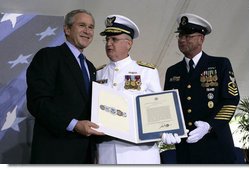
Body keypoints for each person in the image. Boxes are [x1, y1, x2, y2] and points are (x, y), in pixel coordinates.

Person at [26, 9, 103, 164]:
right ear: (67, 29)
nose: (87, 31)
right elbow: (38, 102)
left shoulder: (91, 67)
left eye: (91, 27)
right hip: (54, 152)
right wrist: (74, 125)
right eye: (82, 25)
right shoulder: (49, 56)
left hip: (84, 155)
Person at [162, 13, 240, 164]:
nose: (182, 39)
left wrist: (209, 125)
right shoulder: (172, 71)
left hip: (216, 148)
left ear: (201, 38)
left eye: (188, 35)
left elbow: (231, 100)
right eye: (180, 36)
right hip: (186, 151)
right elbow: (168, 107)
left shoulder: (220, 64)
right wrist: (167, 128)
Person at [96, 14, 162, 164]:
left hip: (139, 152)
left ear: (129, 43)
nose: (109, 44)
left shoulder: (146, 72)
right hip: (107, 150)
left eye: (114, 39)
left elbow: (156, 110)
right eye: (107, 39)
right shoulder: (98, 72)